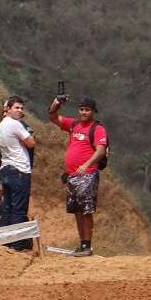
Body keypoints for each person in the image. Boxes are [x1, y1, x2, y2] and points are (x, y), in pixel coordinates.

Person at [48, 96, 107, 257]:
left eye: (87, 110)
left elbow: (100, 151)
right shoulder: (74, 124)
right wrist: (56, 104)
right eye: (81, 109)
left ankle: (87, 245)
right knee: (77, 211)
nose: (84, 112)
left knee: (86, 211)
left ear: (93, 111)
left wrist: (86, 165)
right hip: (72, 175)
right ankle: (82, 244)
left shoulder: (97, 128)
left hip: (87, 174)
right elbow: (53, 117)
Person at [0, 95, 36, 251]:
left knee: (7, 208)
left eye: (21, 108)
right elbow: (31, 143)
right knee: (19, 209)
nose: (20, 110)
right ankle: (18, 245)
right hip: (19, 169)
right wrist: (26, 132)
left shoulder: (1, 124)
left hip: (6, 169)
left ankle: (6, 243)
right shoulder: (15, 124)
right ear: (8, 109)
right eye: (16, 108)